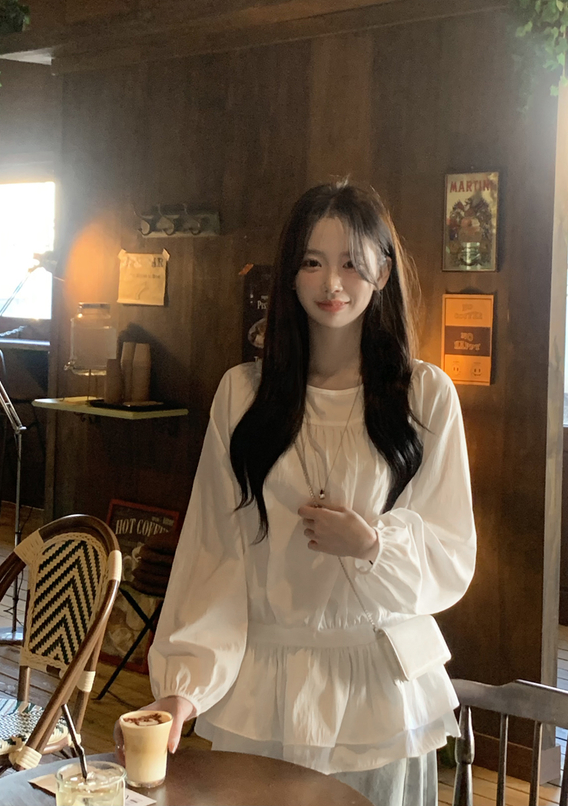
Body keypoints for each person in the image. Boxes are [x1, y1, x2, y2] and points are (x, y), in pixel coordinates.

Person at [114, 180, 476, 806]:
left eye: (351, 262)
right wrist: (183, 689)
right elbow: (215, 551)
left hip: (378, 689)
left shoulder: (425, 396)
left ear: (383, 271)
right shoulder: (242, 395)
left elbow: (451, 551)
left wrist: (372, 545)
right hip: (266, 686)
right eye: (312, 262)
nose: (332, 282)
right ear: (289, 274)